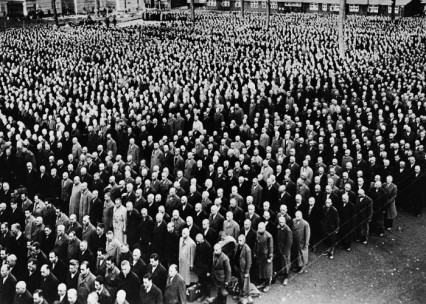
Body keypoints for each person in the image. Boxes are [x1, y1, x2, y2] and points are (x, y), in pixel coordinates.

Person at [194, 233, 213, 302]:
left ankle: (205, 295)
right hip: (199, 267)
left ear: (202, 239)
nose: (197, 242)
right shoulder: (199, 244)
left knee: (205, 283)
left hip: (205, 269)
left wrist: (208, 271)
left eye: (198, 241)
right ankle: (202, 294)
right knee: (201, 282)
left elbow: (210, 260)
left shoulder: (208, 247)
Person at [275, 216, 293, 285]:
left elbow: (289, 243)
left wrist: (286, 252)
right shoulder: (278, 228)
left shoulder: (288, 230)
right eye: (280, 222)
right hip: (279, 248)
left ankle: (286, 277)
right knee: (280, 262)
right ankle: (281, 274)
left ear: (285, 222)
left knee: (286, 263)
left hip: (285, 250)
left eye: (282, 222)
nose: (281, 223)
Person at [233, 235, 252, 300]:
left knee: (245, 284)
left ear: (244, 241)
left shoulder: (247, 249)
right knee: (240, 282)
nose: (239, 242)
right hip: (238, 267)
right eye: (238, 240)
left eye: (240, 240)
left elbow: (249, 262)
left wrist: (247, 272)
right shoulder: (237, 246)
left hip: (243, 269)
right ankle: (240, 295)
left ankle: (245, 296)